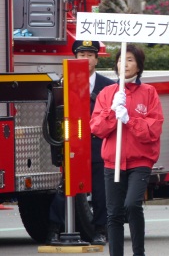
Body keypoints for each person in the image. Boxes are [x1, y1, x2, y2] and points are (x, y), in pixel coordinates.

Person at [90, 44, 164, 256]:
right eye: (122, 59)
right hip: (112, 162)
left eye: (130, 60)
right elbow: (96, 128)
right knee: (113, 214)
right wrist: (113, 111)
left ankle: (138, 253)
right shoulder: (107, 93)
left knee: (132, 205)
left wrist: (129, 119)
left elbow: (154, 129)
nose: (125, 64)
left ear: (139, 66)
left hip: (140, 160)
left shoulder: (149, 93)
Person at [46, 40, 115, 245]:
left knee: (101, 190)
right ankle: (54, 229)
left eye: (90, 55)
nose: (85, 59)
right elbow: (54, 116)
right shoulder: (64, 83)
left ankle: (101, 230)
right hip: (73, 143)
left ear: (96, 59)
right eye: (81, 55)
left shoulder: (108, 86)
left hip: (97, 144)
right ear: (74, 58)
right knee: (65, 188)